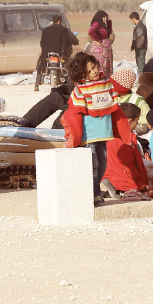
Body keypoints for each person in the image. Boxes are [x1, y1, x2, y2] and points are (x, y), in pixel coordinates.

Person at [60, 52, 132, 207]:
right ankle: (95, 195)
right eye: (89, 70)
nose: (94, 71)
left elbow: (114, 107)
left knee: (103, 164)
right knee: (93, 166)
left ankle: (91, 190)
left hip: (105, 133)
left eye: (94, 67)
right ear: (81, 73)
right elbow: (75, 112)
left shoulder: (106, 83)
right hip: (89, 135)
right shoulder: (80, 89)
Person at [101, 102, 149, 198]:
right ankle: (117, 189)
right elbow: (128, 166)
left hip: (110, 175)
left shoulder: (108, 134)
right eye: (137, 120)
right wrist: (139, 181)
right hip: (123, 181)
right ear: (130, 121)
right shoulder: (126, 140)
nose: (137, 124)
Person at [34, 14, 77, 91]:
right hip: (59, 53)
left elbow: (42, 43)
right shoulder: (63, 29)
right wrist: (63, 54)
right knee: (66, 66)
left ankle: (37, 83)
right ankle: (67, 83)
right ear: (59, 21)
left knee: (40, 65)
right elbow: (64, 42)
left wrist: (44, 52)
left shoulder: (45, 30)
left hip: (47, 53)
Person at [111, 68, 150, 134]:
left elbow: (148, 118)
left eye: (114, 87)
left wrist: (135, 118)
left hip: (135, 130)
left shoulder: (137, 100)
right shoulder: (112, 98)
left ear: (121, 88)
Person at [88, 10, 114, 77]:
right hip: (100, 49)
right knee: (101, 65)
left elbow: (109, 32)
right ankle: (101, 79)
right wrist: (98, 40)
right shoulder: (97, 23)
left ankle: (106, 80)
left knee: (107, 66)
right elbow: (91, 31)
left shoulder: (102, 25)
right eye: (103, 17)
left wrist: (108, 22)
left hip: (106, 50)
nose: (105, 19)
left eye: (106, 17)